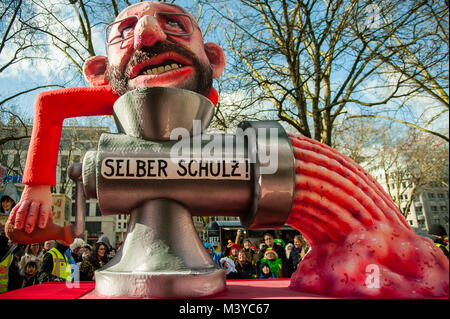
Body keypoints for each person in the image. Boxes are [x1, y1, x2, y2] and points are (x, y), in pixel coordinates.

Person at [9, 1, 226, 236]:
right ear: (100, 72)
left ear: (213, 59)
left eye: (173, 22)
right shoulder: (120, 91)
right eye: (125, 31)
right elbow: (48, 104)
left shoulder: (208, 96)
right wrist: (37, 187)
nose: (148, 33)